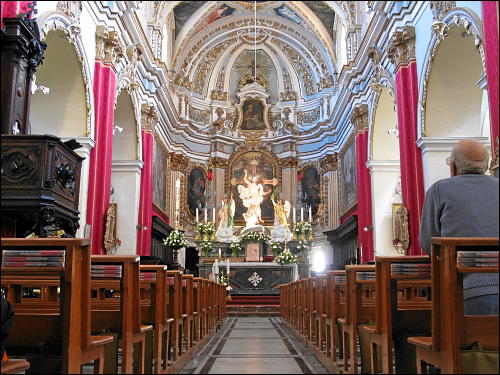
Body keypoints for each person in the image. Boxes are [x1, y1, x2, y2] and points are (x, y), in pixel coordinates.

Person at [419, 139, 499, 315]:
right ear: (486, 167)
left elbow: (429, 243)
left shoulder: (440, 190)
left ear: (453, 167)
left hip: (466, 290)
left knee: (464, 341)